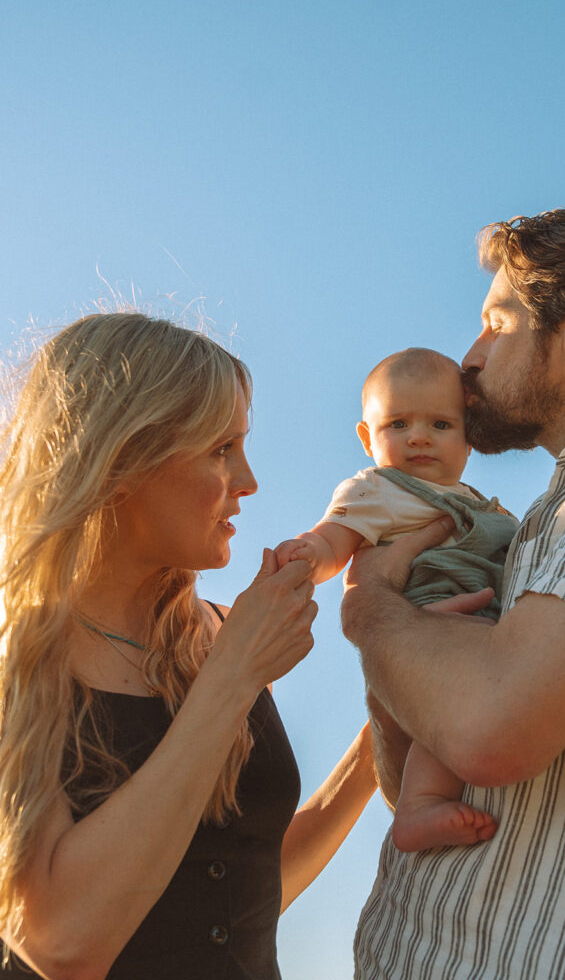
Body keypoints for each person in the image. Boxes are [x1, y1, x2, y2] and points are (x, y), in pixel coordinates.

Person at [342, 206, 565, 980]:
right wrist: (406, 655)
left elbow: (491, 730)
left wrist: (371, 613)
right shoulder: (536, 523)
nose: (467, 359)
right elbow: (413, 783)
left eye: (495, 325)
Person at [0, 311, 377, 980]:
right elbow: (60, 944)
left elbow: (240, 897)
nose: (249, 480)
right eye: (221, 449)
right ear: (120, 458)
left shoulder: (220, 634)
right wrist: (234, 675)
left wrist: (376, 752)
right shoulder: (17, 657)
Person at [275, 347, 518, 852]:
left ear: (470, 436)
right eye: (399, 424)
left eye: (441, 425)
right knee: (444, 696)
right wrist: (309, 553)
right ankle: (420, 803)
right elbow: (335, 537)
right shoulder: (378, 489)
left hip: (486, 617)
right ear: (368, 438)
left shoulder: (481, 505)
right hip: (425, 615)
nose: (419, 437)